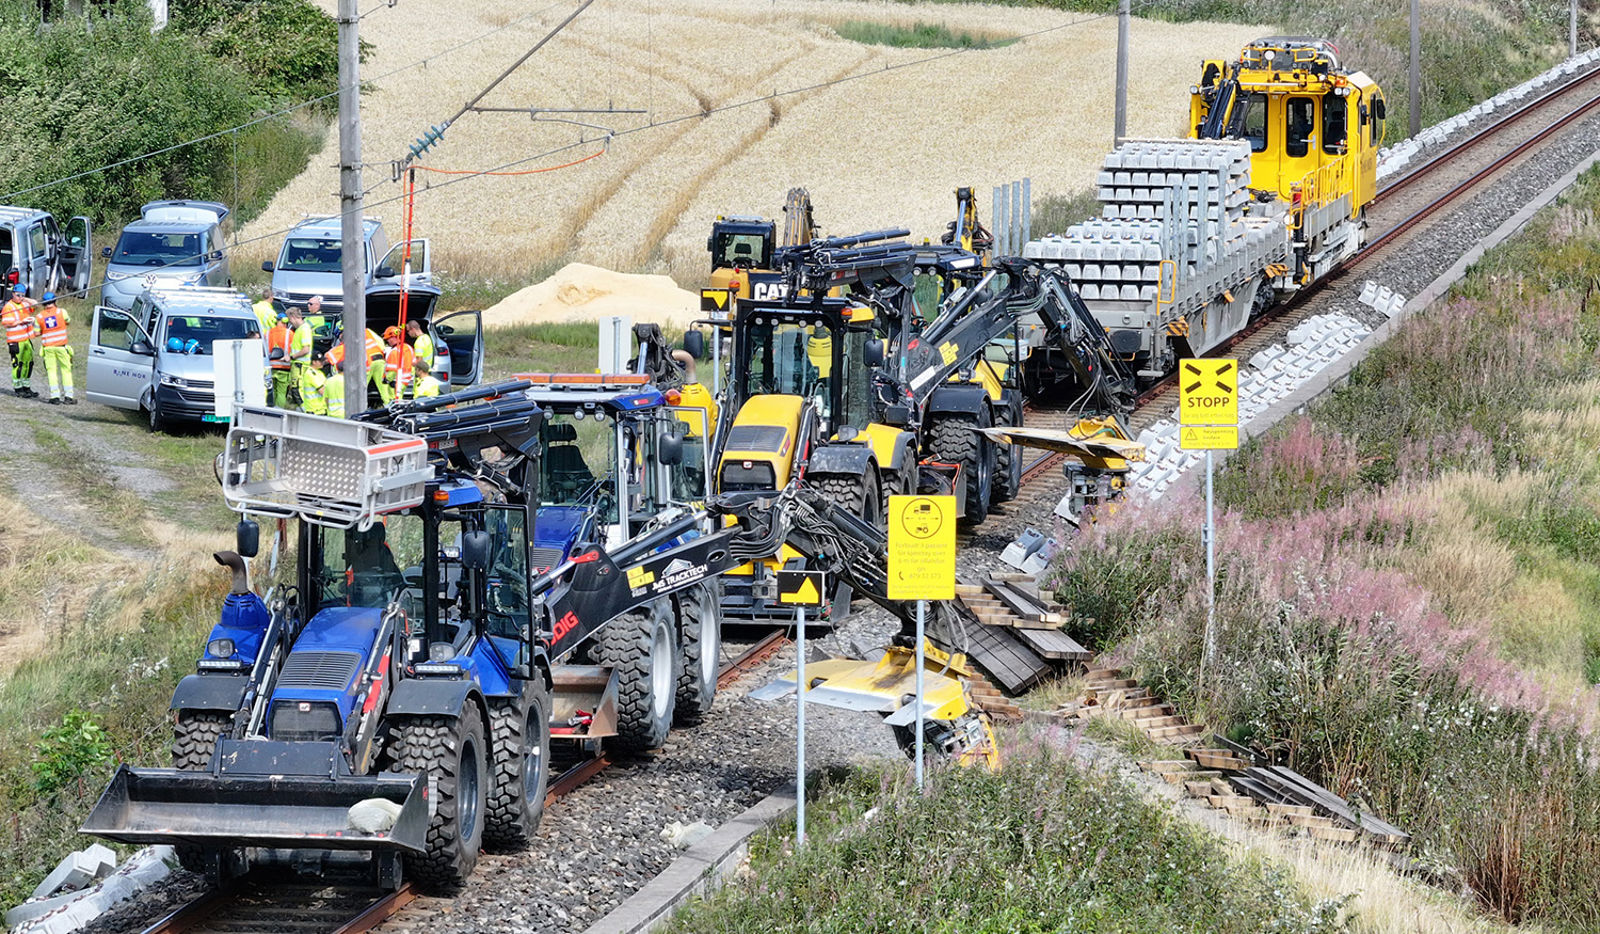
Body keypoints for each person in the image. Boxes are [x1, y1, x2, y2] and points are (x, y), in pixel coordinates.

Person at [326, 325, 387, 407]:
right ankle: (389, 406)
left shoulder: (349, 340)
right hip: (379, 359)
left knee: (360, 389)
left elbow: (330, 356)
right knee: (383, 387)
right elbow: (381, 343)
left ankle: (359, 408)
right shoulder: (367, 331)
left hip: (367, 364)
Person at [34, 292, 75, 405]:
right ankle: (68, 397)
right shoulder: (61, 312)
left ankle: (55, 396)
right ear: (55, 301)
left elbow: (36, 333)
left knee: (51, 372)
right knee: (66, 371)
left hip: (48, 348)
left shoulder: (39, 316)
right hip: (61, 347)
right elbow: (68, 321)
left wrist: (44, 330)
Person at [2, 285, 39, 398]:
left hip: (26, 339)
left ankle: (26, 387)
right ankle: (18, 388)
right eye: (18, 295)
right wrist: (21, 321)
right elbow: (6, 323)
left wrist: (25, 299)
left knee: (29, 364)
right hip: (15, 340)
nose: (20, 297)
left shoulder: (24, 304)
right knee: (18, 364)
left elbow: (35, 304)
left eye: (22, 295)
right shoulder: (9, 307)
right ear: (13, 294)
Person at [286, 306, 314, 399]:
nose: (290, 322)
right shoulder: (300, 329)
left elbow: (306, 349)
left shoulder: (304, 329)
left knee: (297, 390)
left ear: (293, 317)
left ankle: (303, 412)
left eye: (290, 320)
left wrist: (292, 357)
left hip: (300, 365)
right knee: (294, 391)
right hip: (298, 365)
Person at [266, 311, 292, 409]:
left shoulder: (267, 333)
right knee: (281, 392)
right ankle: (280, 412)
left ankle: (271, 410)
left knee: (272, 391)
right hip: (284, 367)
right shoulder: (290, 334)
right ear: (286, 321)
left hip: (270, 367)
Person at [381, 326, 413, 403]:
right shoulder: (409, 348)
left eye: (388, 339)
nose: (388, 341)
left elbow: (392, 371)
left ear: (393, 338)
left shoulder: (394, 352)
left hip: (396, 382)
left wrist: (386, 380)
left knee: (394, 402)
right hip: (407, 381)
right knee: (401, 400)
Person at [299, 351, 328, 415]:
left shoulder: (320, 373)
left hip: (321, 409)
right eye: (320, 361)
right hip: (313, 410)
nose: (322, 363)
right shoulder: (310, 373)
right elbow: (322, 391)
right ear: (314, 362)